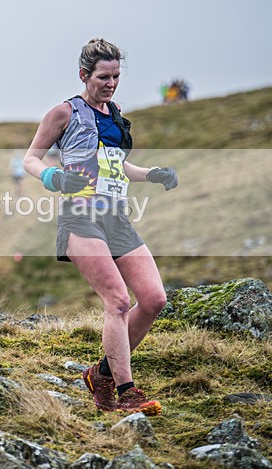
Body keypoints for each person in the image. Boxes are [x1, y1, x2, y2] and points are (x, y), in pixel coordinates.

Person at [23, 38, 178, 415]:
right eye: (103, 77)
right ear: (84, 75)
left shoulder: (115, 113)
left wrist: (152, 174)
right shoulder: (64, 113)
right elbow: (30, 158)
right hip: (80, 217)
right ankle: (126, 392)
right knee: (119, 301)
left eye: (116, 76)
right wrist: (54, 178)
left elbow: (117, 167)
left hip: (116, 218)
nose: (110, 84)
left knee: (155, 298)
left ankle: (101, 373)